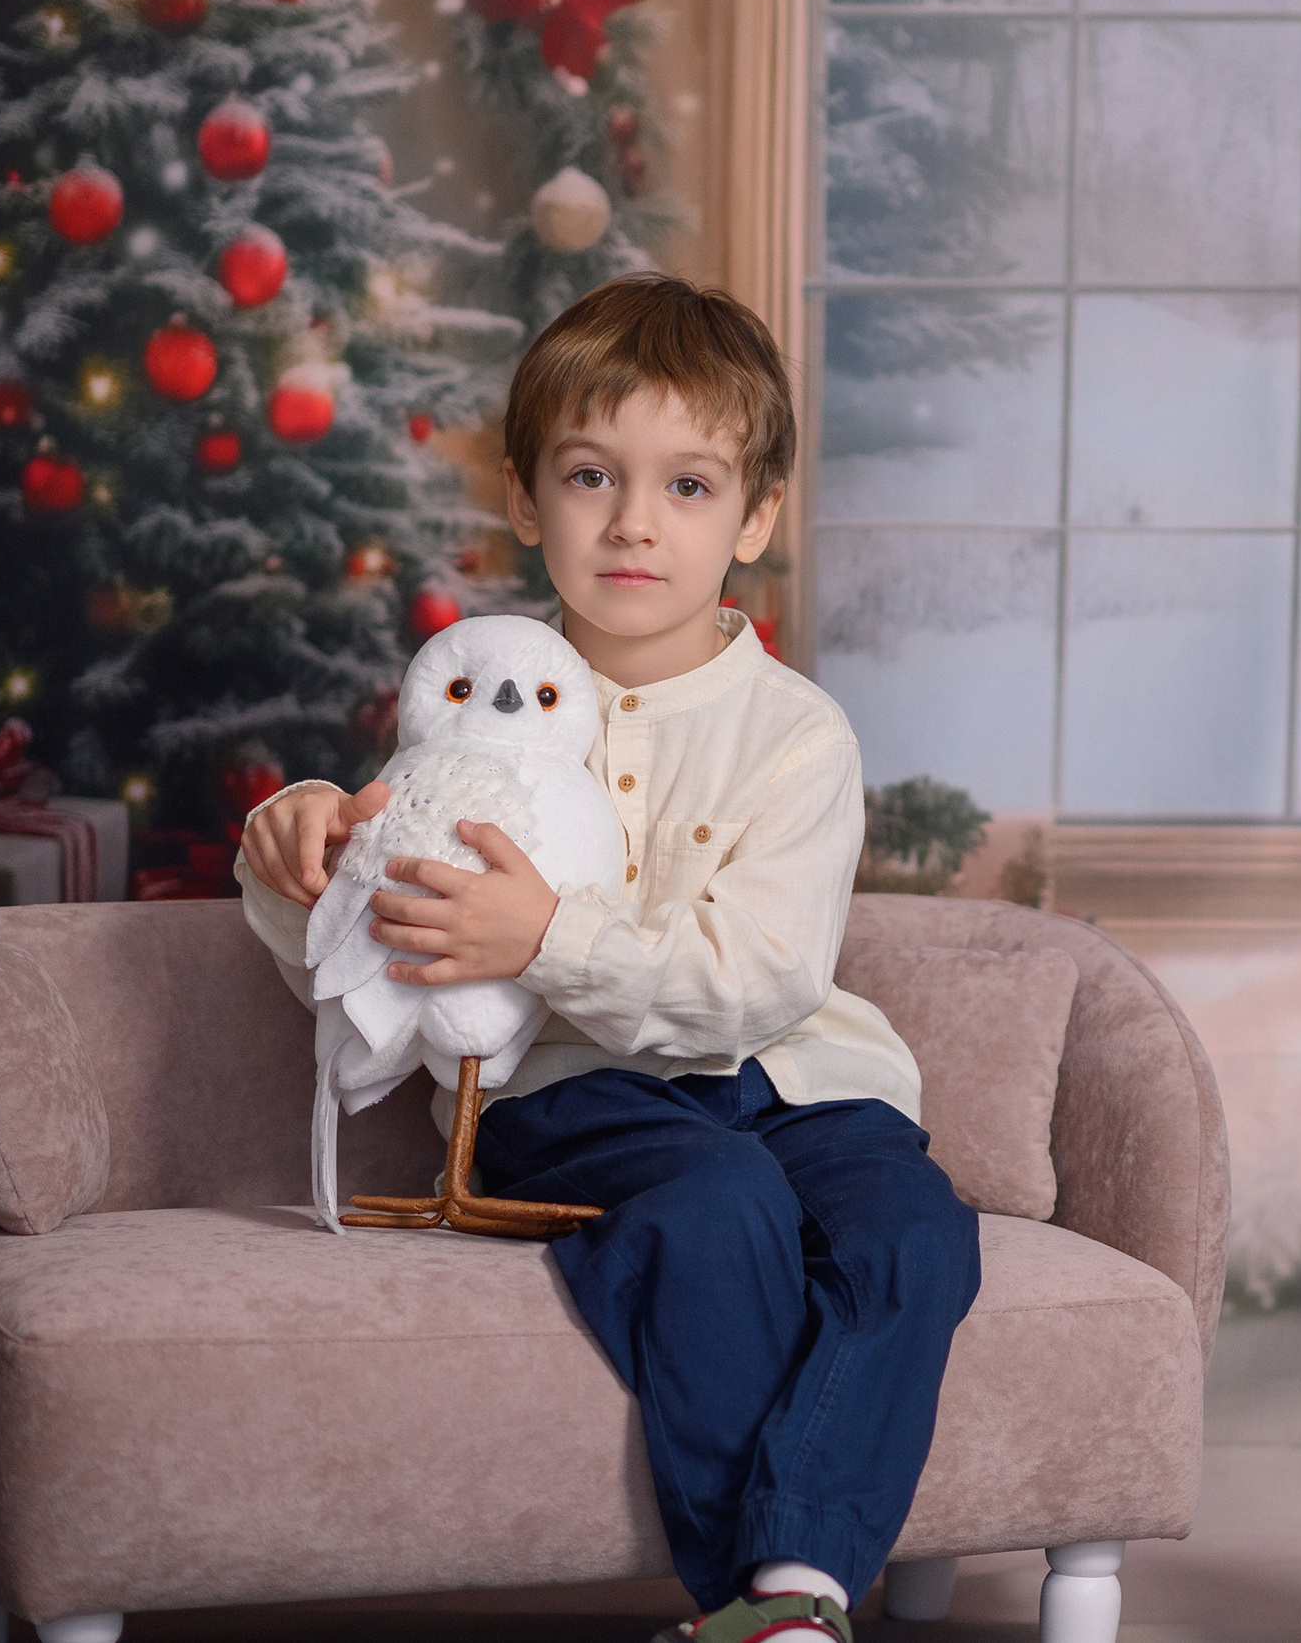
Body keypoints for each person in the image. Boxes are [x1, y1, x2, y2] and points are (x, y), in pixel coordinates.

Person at [234, 274, 977, 1643]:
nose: (635, 523)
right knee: (717, 1205)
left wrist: (553, 936)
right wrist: (289, 859)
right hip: (581, 1096)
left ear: (754, 517)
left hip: (797, 1077)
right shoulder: (468, 720)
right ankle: (752, 1597)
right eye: (592, 476)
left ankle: (795, 1593)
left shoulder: (797, 734)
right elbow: (369, 960)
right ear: (527, 501)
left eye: (689, 487)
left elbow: (764, 978)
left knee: (917, 1240)